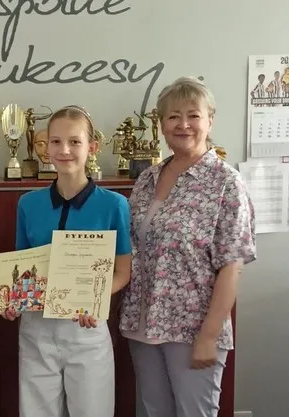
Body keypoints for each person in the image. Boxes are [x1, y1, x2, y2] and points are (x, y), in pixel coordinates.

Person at [119, 76, 257, 417]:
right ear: (162, 124)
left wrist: (209, 335)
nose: (183, 124)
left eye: (193, 115)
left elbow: (231, 266)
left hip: (192, 329)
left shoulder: (226, 182)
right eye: (173, 116)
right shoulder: (147, 179)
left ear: (210, 120)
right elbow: (128, 248)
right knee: (155, 411)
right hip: (142, 324)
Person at [4, 105, 132, 417]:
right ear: (45, 147)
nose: (64, 150)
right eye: (56, 141)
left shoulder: (114, 205)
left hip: (85, 327)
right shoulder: (28, 204)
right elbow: (22, 269)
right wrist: (14, 299)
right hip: (37, 329)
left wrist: (93, 298)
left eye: (75, 141)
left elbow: (123, 271)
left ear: (92, 147)